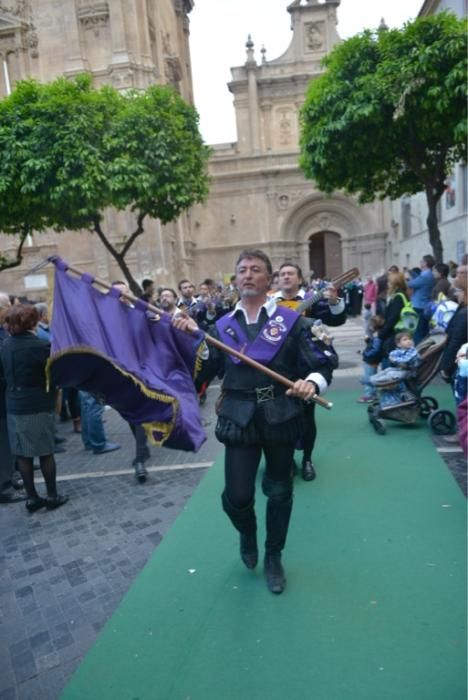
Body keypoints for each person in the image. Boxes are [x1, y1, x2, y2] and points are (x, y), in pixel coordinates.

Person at [174, 249, 338, 595]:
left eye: (255, 270)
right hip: (239, 416)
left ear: (269, 279)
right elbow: (202, 373)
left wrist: (311, 382)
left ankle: (273, 555)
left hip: (281, 415)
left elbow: (323, 364)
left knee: (279, 491)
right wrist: (190, 341)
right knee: (237, 496)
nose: (247, 274)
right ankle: (247, 532)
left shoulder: (293, 322)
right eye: (242, 270)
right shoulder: (219, 327)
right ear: (235, 278)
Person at [273, 262, 345, 481]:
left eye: (290, 274)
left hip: (306, 366)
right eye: (282, 274)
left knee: (307, 418)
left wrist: (333, 301)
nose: (285, 277)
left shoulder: (312, 299)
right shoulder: (270, 302)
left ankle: (307, 459)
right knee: (278, 419)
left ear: (299, 279)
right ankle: (287, 460)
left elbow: (336, 319)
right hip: (278, 366)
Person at [0, 304, 68, 512]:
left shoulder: (4, 345)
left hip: (13, 403)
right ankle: (52, 495)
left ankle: (32, 498)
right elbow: (54, 375)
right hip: (38, 402)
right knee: (45, 452)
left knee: (23, 454)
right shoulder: (42, 345)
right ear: (32, 322)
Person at [377, 271, 412, 364]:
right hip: (398, 333)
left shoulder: (398, 297)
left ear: (394, 284)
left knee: (391, 365)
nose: (387, 285)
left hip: (394, 335)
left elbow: (393, 318)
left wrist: (382, 333)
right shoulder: (403, 294)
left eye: (389, 282)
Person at [407, 254, 435, 344]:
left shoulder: (425, 275)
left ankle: (418, 350)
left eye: (421, 261)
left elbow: (411, 284)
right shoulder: (428, 274)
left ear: (425, 263)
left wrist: (407, 279)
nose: (420, 263)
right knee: (422, 330)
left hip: (419, 306)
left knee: (418, 332)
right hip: (424, 305)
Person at [357, 314, 385, 403]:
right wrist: (368, 341)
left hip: (371, 360)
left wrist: (365, 354)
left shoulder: (377, 337)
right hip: (373, 360)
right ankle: (372, 394)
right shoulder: (377, 336)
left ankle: (369, 395)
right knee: (372, 376)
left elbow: (375, 349)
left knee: (369, 377)